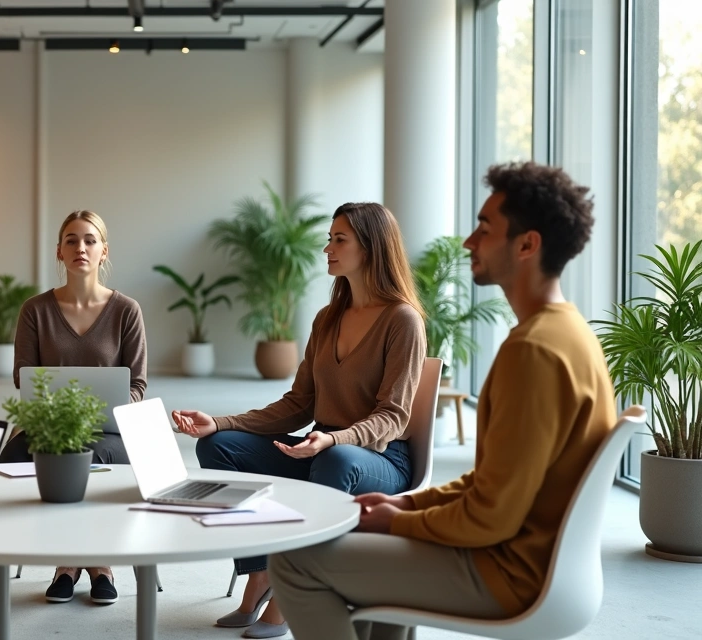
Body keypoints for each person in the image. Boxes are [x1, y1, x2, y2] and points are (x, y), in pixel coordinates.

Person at [266, 162, 616, 640]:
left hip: (510, 573)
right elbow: (492, 484)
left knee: (293, 563)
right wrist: (405, 508)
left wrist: (403, 523)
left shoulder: (533, 351)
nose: (469, 242)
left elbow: (492, 515)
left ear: (527, 244)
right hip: (532, 560)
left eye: (485, 228)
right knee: (368, 562)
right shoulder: (568, 331)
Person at [173, 202, 426, 639]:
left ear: (370, 247)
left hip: (377, 458)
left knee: (338, 460)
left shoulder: (402, 321)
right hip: (319, 447)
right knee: (217, 447)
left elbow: (394, 416)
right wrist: (220, 422)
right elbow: (298, 404)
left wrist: (333, 441)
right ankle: (260, 572)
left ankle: (293, 591)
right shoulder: (327, 319)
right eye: (329, 238)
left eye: (338, 239)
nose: (327, 247)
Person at [0, 209, 148, 606]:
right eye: (71, 240)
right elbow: (23, 377)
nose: (80, 247)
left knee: (91, 453)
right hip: (49, 426)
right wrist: (62, 418)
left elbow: (137, 385)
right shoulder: (35, 310)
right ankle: (84, 563)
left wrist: (104, 411)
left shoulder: (126, 310)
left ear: (103, 251)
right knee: (13, 458)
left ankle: (84, 564)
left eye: (89, 240)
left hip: (111, 429)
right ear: (59, 253)